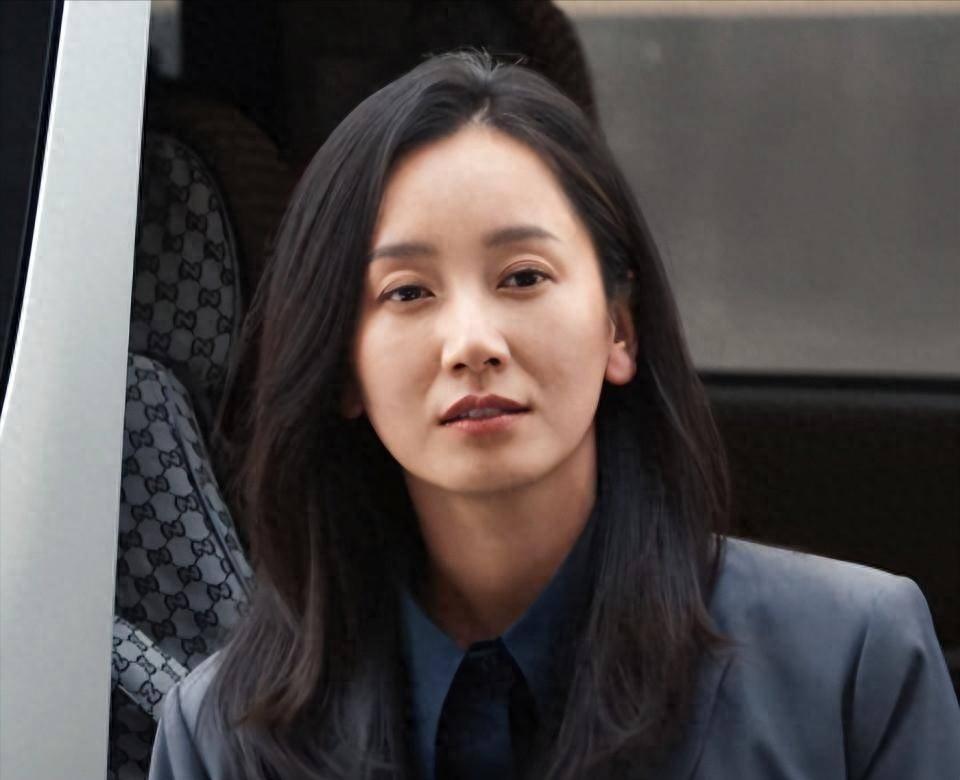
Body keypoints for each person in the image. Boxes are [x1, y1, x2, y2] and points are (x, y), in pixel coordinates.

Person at [147, 50, 960, 780]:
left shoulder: (852, 666)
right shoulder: (223, 734)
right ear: (343, 369)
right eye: (408, 292)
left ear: (620, 328)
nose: (472, 342)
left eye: (523, 277)